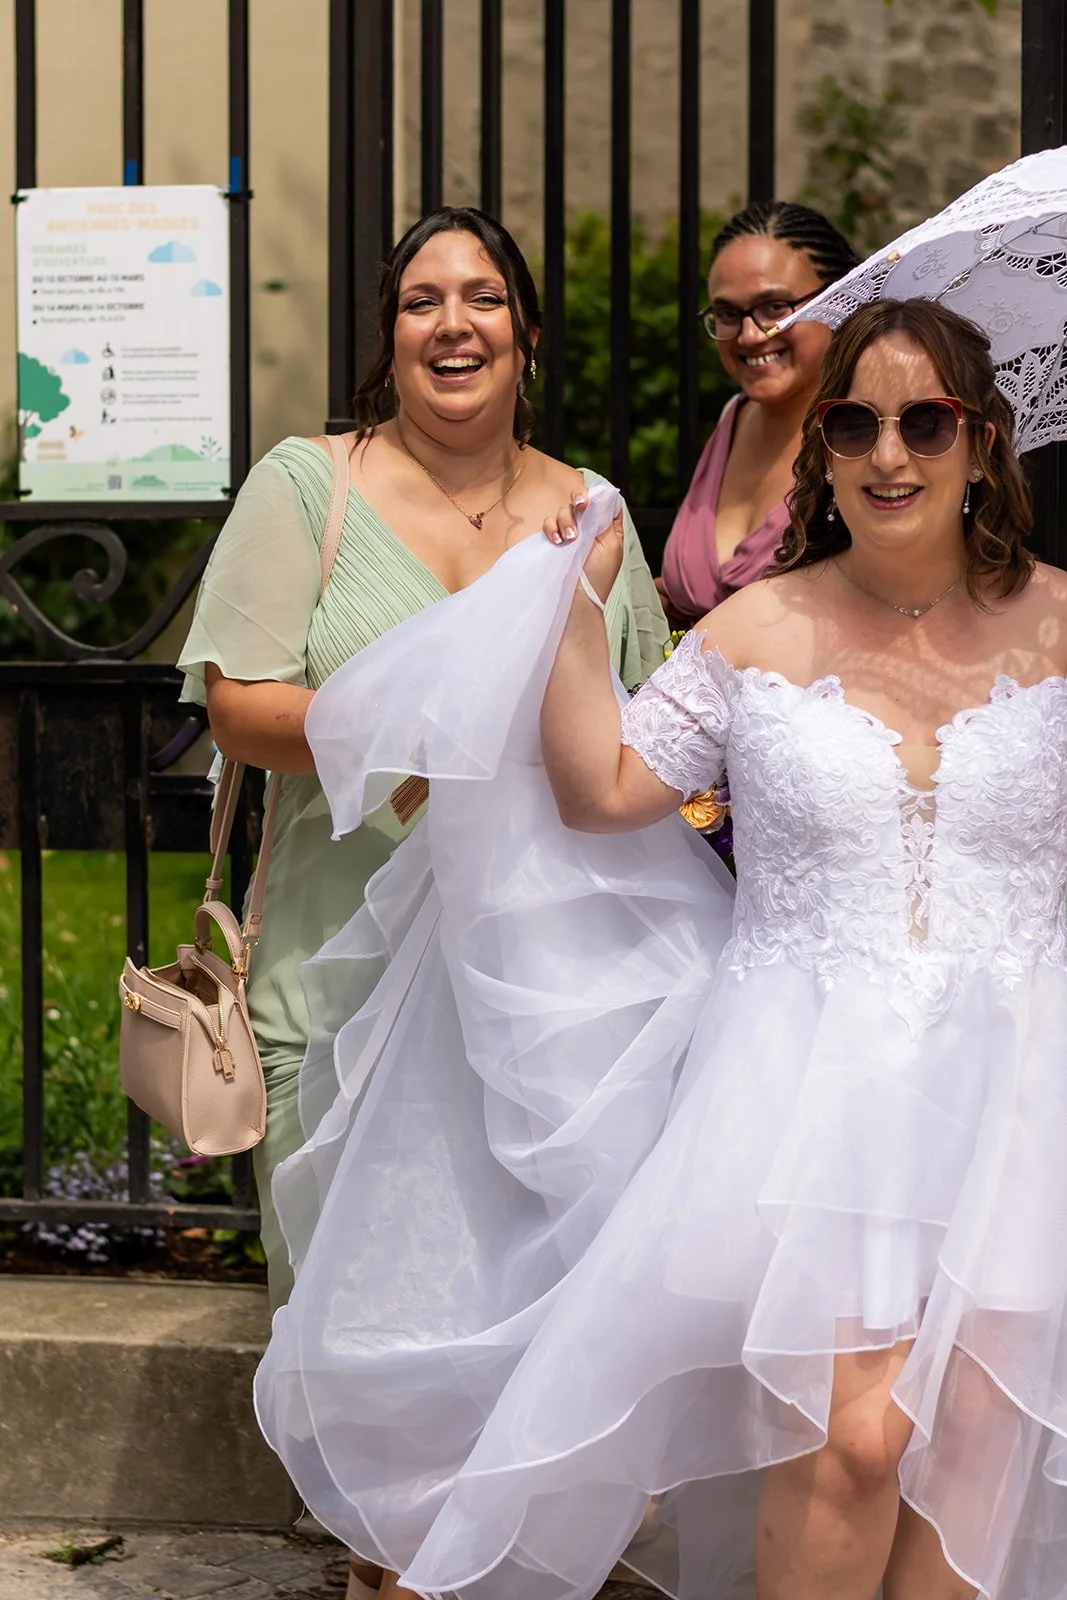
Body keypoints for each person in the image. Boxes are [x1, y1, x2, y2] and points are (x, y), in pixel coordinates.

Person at [254, 295, 1067, 1600]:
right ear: (820, 444)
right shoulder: (757, 629)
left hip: (1025, 1092)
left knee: (978, 1432)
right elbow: (609, 791)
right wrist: (571, 612)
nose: (886, 453)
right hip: (817, 1097)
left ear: (980, 442)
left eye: (924, 420)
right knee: (852, 1437)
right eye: (851, 420)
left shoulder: (1057, 622)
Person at [176, 204, 668, 1600]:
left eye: (481, 298)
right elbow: (236, 699)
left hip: (534, 1004)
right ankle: (381, 1566)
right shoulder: (307, 486)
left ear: (525, 332)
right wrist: (413, 748)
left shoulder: (589, 513)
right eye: (418, 301)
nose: (452, 323)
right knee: (361, 1334)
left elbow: (640, 731)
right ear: (387, 339)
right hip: (334, 989)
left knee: (522, 1324)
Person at [658, 201, 858, 627]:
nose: (749, 335)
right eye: (728, 314)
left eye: (775, 307)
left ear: (836, 299)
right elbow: (698, 602)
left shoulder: (865, 435)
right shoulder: (735, 416)